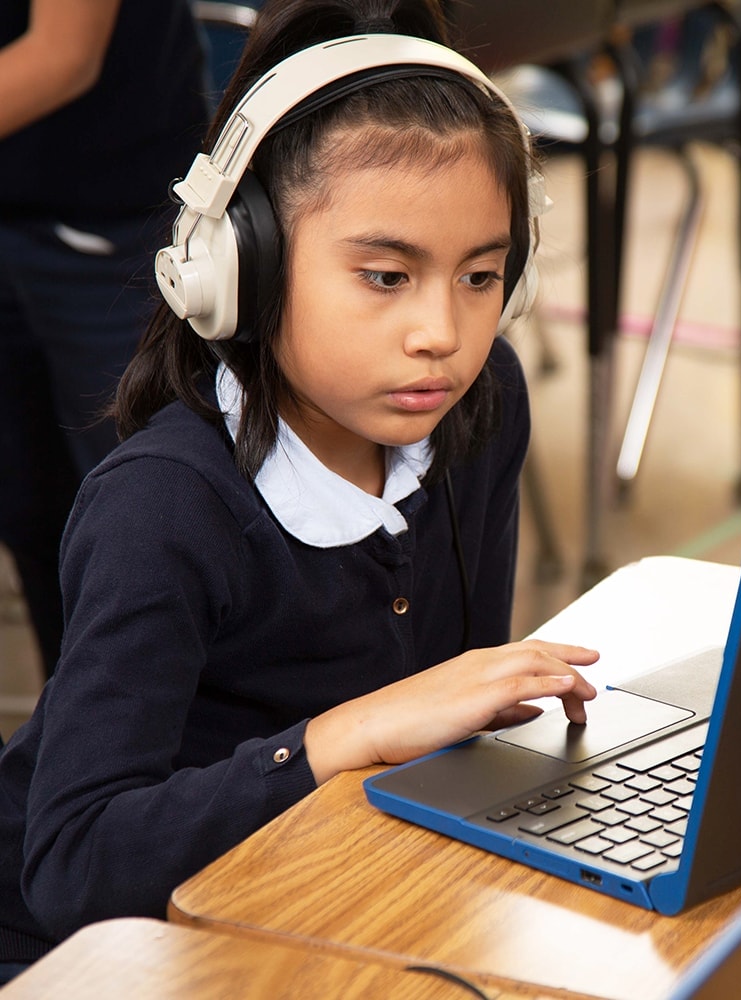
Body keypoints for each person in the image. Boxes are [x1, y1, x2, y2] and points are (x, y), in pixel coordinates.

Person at [0, 0, 599, 978]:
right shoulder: (163, 507)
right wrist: (339, 737)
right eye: (384, 276)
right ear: (244, 268)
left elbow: (447, 719)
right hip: (89, 955)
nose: (440, 332)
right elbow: (73, 864)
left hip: (306, 900)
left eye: (482, 275)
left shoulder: (480, 408)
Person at [0, 0, 209, 680]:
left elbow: (62, 57)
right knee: (35, 514)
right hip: (19, 212)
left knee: (147, 533)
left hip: (107, 218)